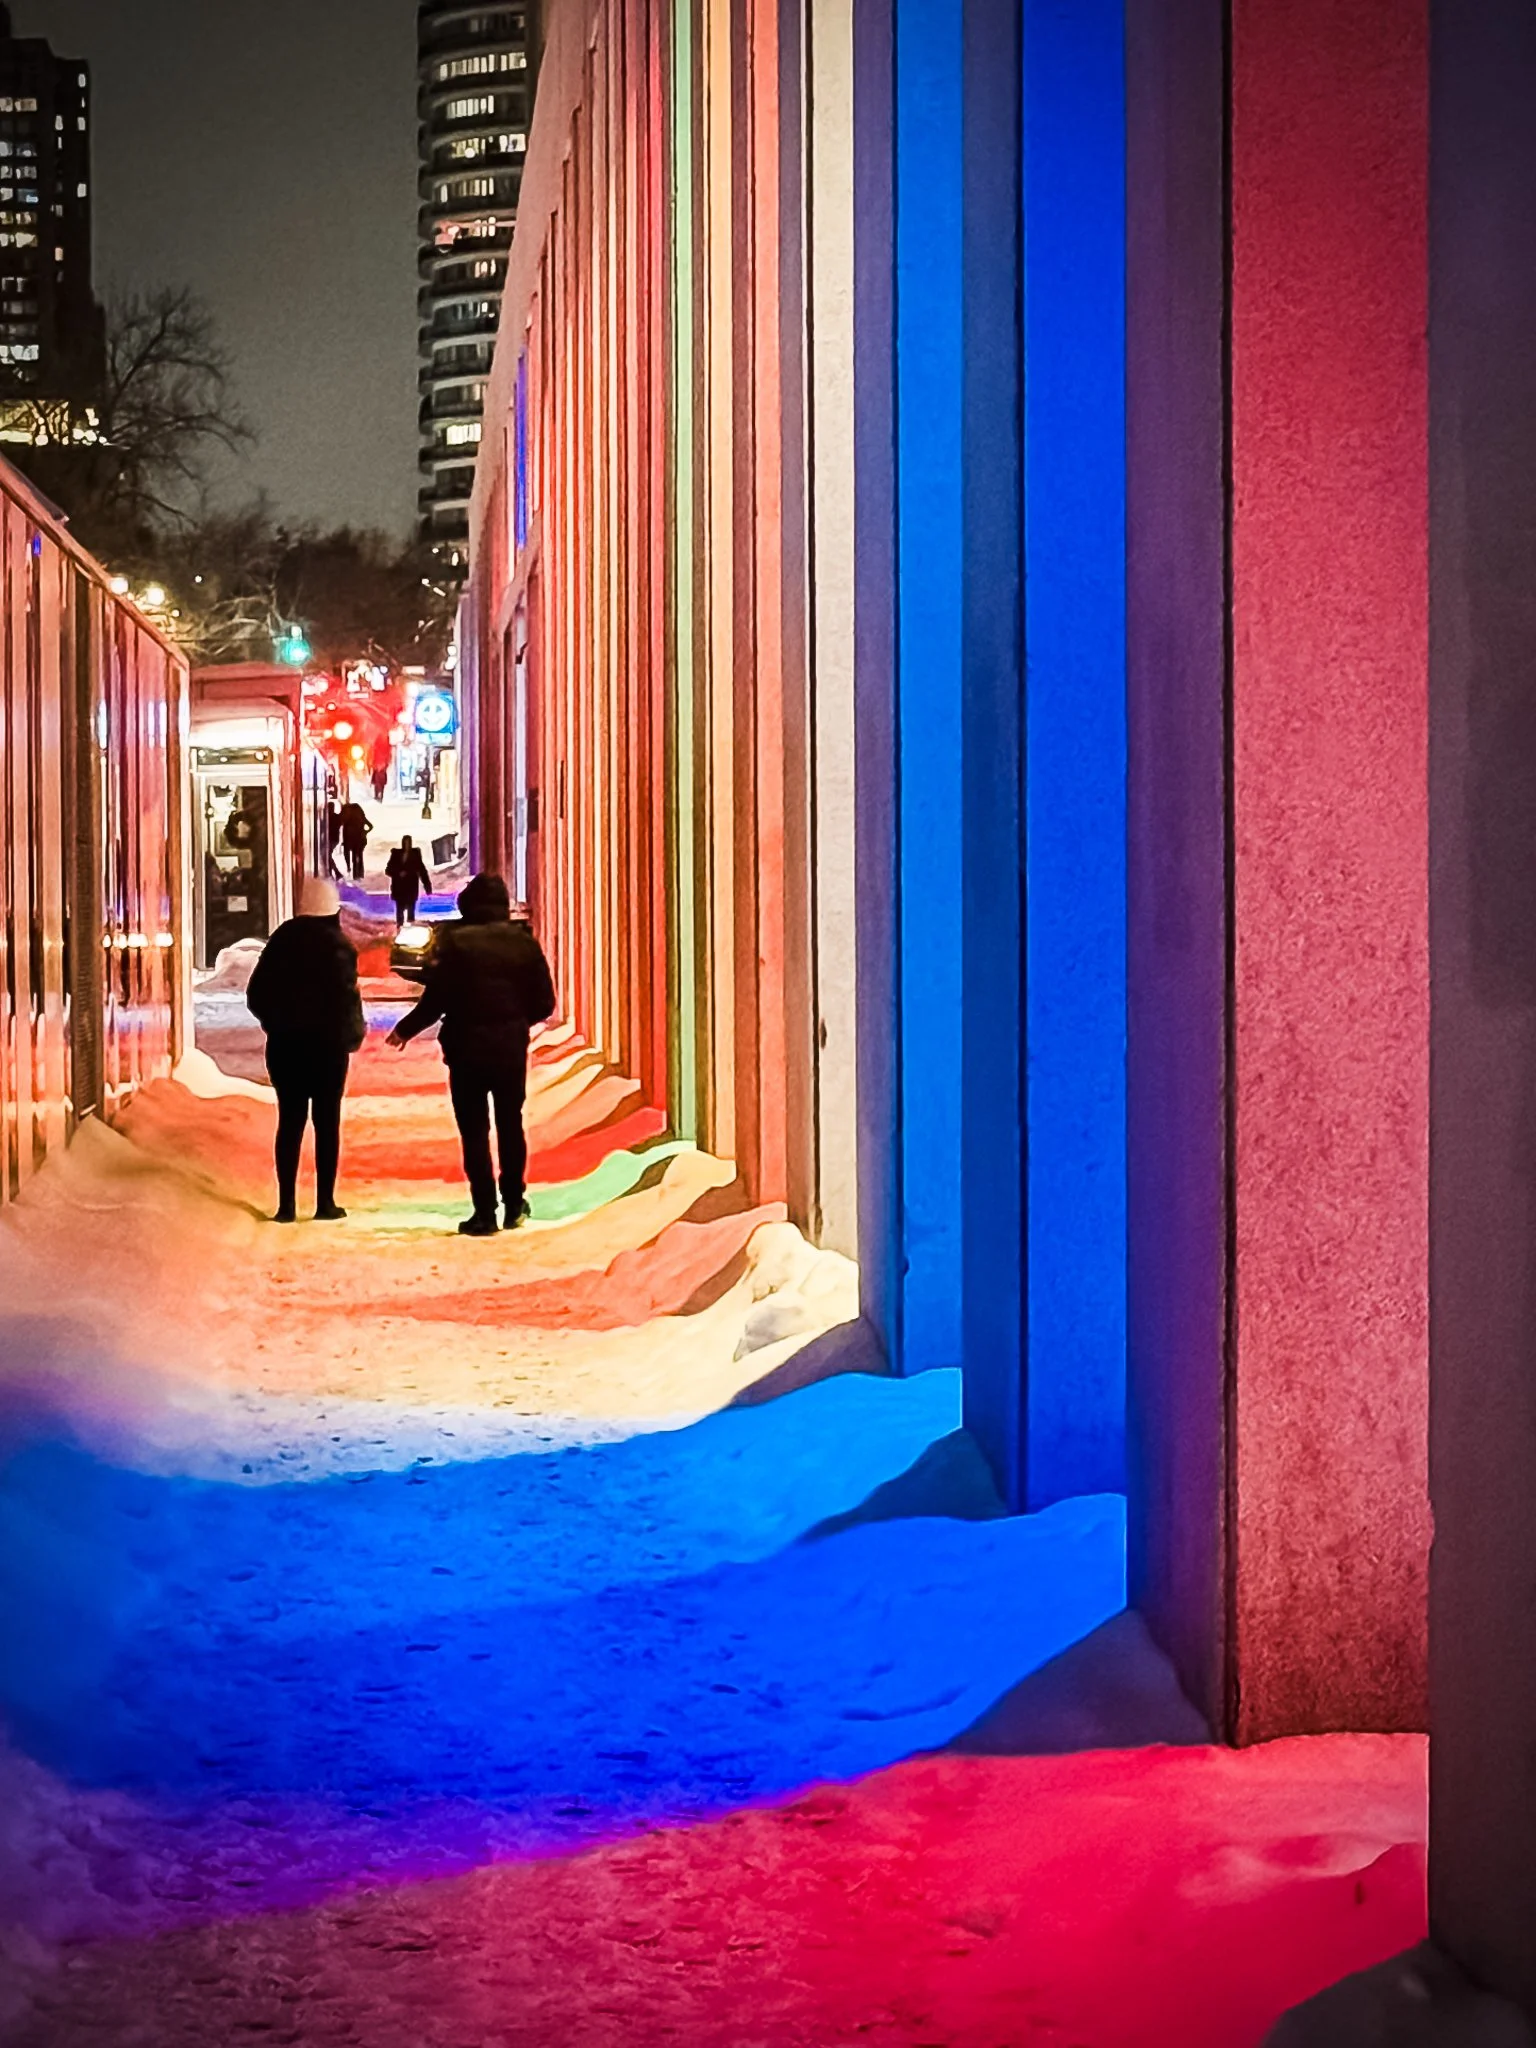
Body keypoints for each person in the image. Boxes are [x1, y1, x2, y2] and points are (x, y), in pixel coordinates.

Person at [386, 873, 555, 1236]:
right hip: (509, 1048)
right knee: (511, 1124)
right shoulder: (524, 944)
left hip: (466, 1049)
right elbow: (545, 1002)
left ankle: (483, 1212)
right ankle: (514, 1203)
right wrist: (514, 1020)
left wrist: (405, 1030)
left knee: (475, 1131)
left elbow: (437, 998)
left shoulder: (456, 944)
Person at [246, 876, 366, 1224]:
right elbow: (347, 999)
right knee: (327, 1124)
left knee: (290, 1122)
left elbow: (256, 995)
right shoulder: (339, 947)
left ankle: (286, 1205)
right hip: (328, 1051)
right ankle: (325, 1202)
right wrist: (350, 1036)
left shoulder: (281, 942)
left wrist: (277, 1023)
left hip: (286, 1048)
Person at [385, 835, 432, 928]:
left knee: (411, 908)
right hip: (399, 887)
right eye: (405, 843)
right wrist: (398, 873)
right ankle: (399, 926)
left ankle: (411, 927)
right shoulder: (396, 854)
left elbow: (422, 871)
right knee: (400, 908)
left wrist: (427, 886)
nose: (407, 845)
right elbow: (388, 870)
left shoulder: (415, 855)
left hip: (411, 886)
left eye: (409, 843)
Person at [337, 799, 372, 882]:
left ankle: (355, 873)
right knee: (358, 856)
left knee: (354, 856)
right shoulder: (359, 817)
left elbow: (340, 822)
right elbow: (370, 826)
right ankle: (358, 873)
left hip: (353, 840)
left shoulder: (348, 820)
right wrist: (365, 832)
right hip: (359, 840)